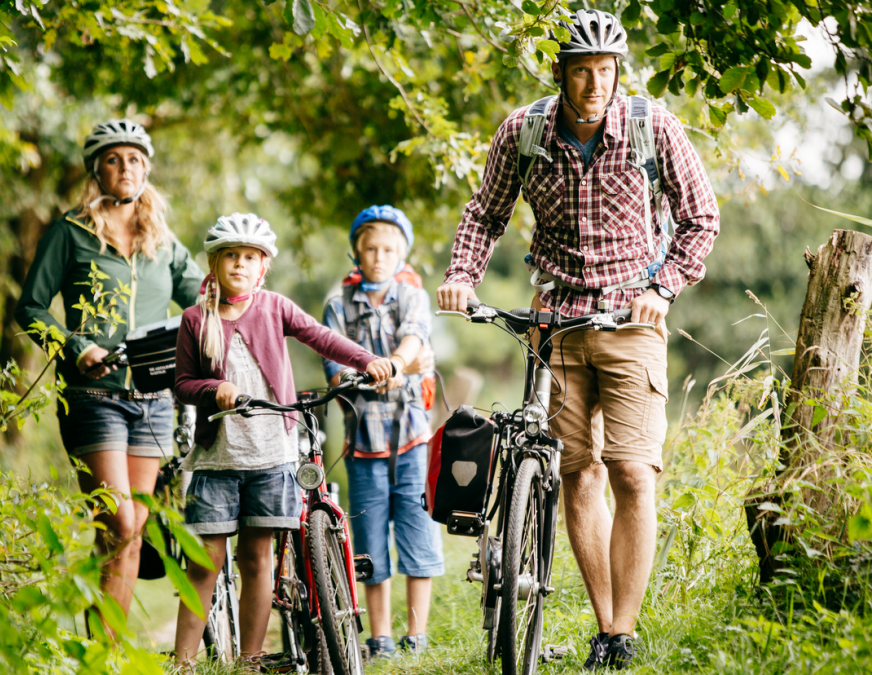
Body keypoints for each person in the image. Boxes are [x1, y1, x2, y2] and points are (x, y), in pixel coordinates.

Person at [436, 9, 719, 670]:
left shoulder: (653, 127)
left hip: (632, 322)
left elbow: (699, 217)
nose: (594, 83)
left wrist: (663, 288)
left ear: (618, 70)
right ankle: (604, 625)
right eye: (580, 70)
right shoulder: (524, 131)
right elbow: (485, 212)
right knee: (576, 471)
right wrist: (460, 275)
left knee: (629, 470)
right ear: (558, 72)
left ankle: (622, 627)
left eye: (604, 69)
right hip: (554, 321)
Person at [172, 213, 393, 667]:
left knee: (257, 560)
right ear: (213, 264)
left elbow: (320, 336)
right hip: (217, 459)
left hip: (272, 455)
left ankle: (250, 660)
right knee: (204, 565)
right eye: (230, 256)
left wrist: (367, 359)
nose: (239, 264)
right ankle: (182, 662)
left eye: (249, 258)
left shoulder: (275, 307)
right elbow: (181, 384)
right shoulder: (196, 319)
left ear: (263, 267)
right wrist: (216, 389)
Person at [15, 119, 203, 636]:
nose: (127, 168)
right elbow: (30, 308)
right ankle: (103, 653)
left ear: (147, 169)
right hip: (91, 396)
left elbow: (204, 303)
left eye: (136, 159)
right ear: (96, 169)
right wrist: (76, 347)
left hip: (153, 400)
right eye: (115, 159)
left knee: (131, 532)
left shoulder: (163, 244)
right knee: (118, 523)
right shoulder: (69, 233)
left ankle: (106, 655)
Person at [321, 205, 444, 659]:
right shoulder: (338, 305)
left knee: (418, 532)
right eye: (370, 248)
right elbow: (335, 366)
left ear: (402, 254)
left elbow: (414, 340)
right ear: (357, 250)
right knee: (370, 542)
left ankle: (416, 634)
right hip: (363, 446)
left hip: (411, 439)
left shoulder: (411, 296)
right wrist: (376, 369)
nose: (378, 257)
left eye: (388, 249)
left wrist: (396, 362)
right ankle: (381, 637)